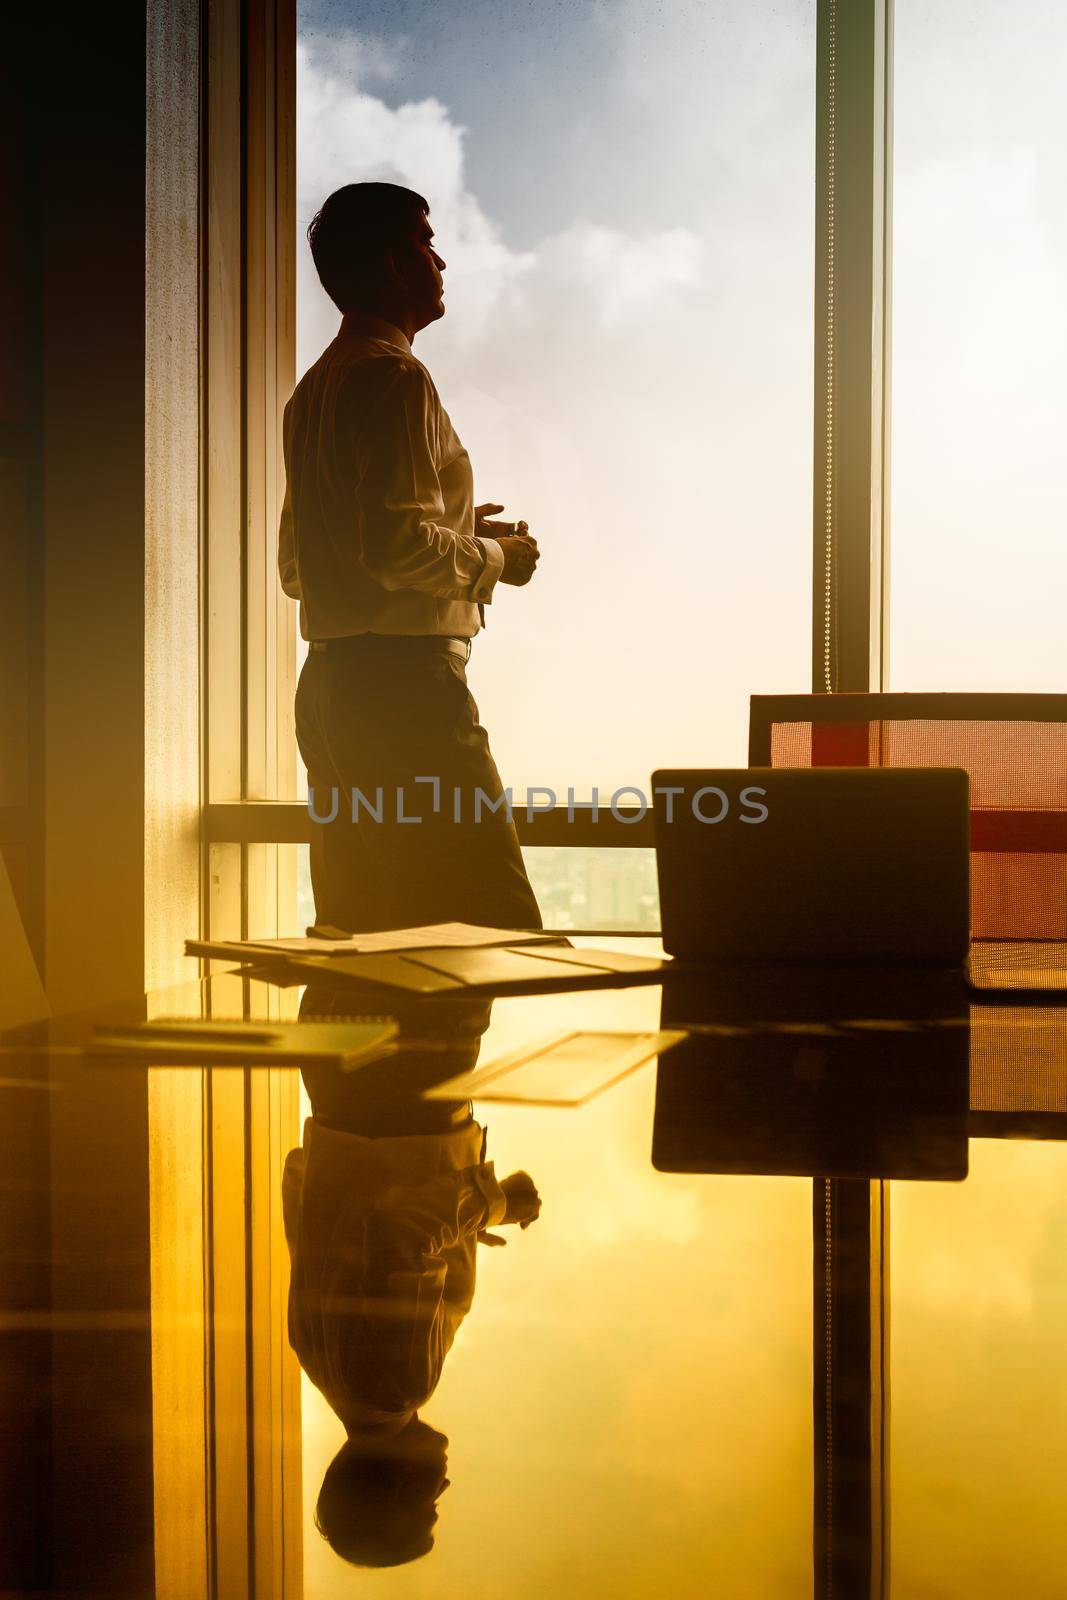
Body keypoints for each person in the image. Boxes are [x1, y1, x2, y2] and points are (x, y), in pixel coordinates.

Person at [279, 181, 543, 933]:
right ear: (397, 264)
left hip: (329, 690)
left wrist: (457, 525)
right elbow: (397, 547)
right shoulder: (395, 377)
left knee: (362, 930)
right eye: (427, 242)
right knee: (483, 925)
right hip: (406, 691)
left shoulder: (314, 391)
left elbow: (300, 564)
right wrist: (497, 556)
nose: (441, 259)